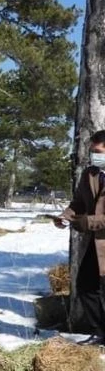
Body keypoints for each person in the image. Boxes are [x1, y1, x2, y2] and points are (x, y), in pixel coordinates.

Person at [55, 129, 105, 345]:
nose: (94, 155)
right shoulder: (90, 174)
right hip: (96, 243)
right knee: (85, 285)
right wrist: (65, 216)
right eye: (92, 151)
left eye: (98, 151)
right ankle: (100, 332)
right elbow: (78, 202)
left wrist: (88, 222)